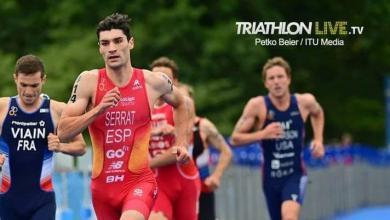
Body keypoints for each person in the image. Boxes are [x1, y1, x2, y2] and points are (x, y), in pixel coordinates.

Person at [57, 14, 191, 220]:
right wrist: (97, 110)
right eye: (105, 43)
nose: (112, 48)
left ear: (131, 43)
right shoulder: (88, 81)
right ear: (100, 48)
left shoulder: (153, 81)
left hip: (139, 182)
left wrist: (182, 142)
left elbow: (183, 103)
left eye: (118, 41)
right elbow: (63, 132)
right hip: (102, 189)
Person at [231, 57, 325, 220]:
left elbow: (318, 113)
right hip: (270, 177)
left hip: (295, 174)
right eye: (271, 78)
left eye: (280, 77)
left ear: (288, 79)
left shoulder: (304, 102)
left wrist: (319, 140)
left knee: (289, 217)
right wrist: (263, 134)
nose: (276, 82)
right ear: (266, 83)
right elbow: (235, 138)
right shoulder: (257, 106)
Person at [0, 54, 86, 220]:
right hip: (8, 199)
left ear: (43, 80)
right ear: (15, 79)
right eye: (23, 85)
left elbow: (81, 147)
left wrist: (61, 146)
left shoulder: (57, 110)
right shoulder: (3, 108)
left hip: (42, 200)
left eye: (34, 85)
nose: (29, 92)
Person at [148, 57, 200, 220]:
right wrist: (152, 133)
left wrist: (145, 164)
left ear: (174, 82)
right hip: (156, 183)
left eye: (165, 79)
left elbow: (182, 148)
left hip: (184, 179)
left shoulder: (185, 105)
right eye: (155, 78)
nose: (159, 83)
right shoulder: (140, 107)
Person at [181, 84, 233, 220]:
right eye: (179, 99)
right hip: (179, 190)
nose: (183, 103)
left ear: (192, 100)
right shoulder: (170, 127)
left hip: (202, 189)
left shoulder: (203, 126)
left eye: (186, 98)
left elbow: (226, 151)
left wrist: (216, 176)